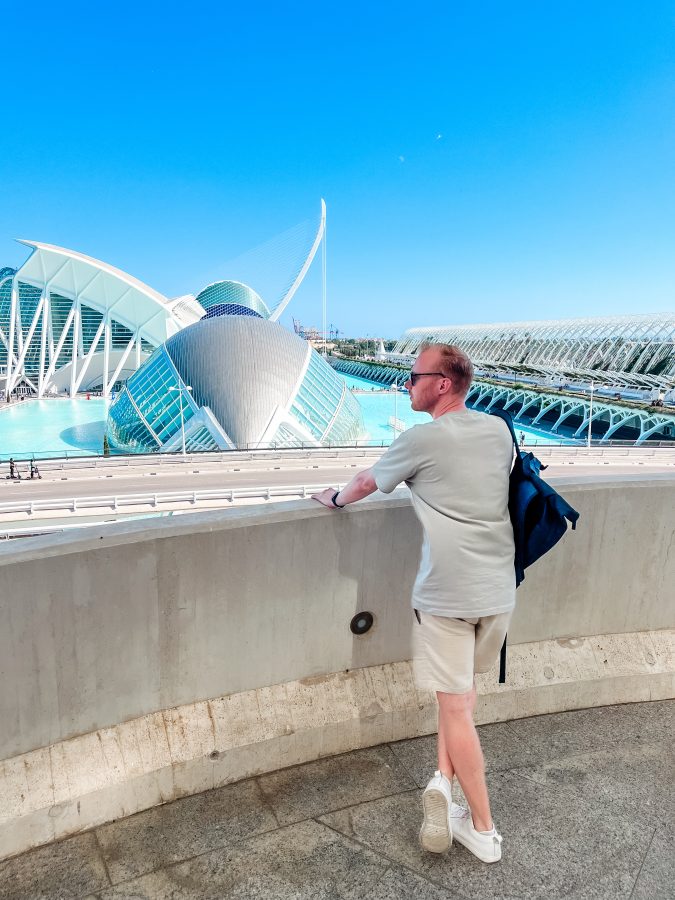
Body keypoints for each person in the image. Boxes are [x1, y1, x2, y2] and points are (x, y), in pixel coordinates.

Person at [312, 342, 514, 864]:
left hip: (449, 595)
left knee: (454, 706)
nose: (406, 383)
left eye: (414, 375)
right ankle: (443, 786)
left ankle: (484, 831)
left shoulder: (419, 440)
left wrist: (332, 499)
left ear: (442, 383)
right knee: (461, 697)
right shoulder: (498, 431)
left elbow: (364, 483)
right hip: (499, 590)